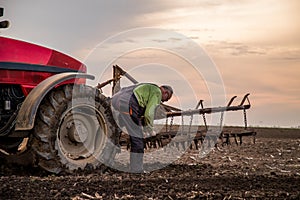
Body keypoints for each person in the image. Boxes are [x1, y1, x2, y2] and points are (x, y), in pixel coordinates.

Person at [111, 83, 173, 173]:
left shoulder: (147, 87)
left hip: (116, 100)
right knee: (138, 139)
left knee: (116, 131)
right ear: (165, 92)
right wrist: (150, 130)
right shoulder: (157, 92)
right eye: (166, 99)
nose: (163, 101)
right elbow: (149, 113)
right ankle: (137, 169)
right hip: (128, 103)